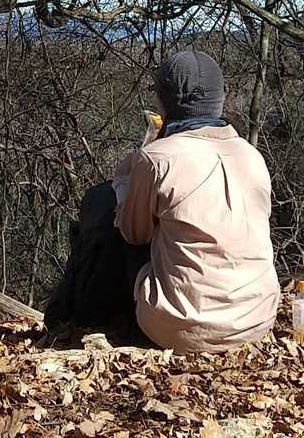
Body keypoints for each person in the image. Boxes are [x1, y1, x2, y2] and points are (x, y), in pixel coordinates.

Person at [43, 50, 279, 352]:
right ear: (220, 98)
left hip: (181, 327)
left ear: (164, 101)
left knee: (102, 201)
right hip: (256, 319)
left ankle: (84, 318)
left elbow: (133, 234)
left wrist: (124, 178)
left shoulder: (156, 158)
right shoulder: (251, 156)